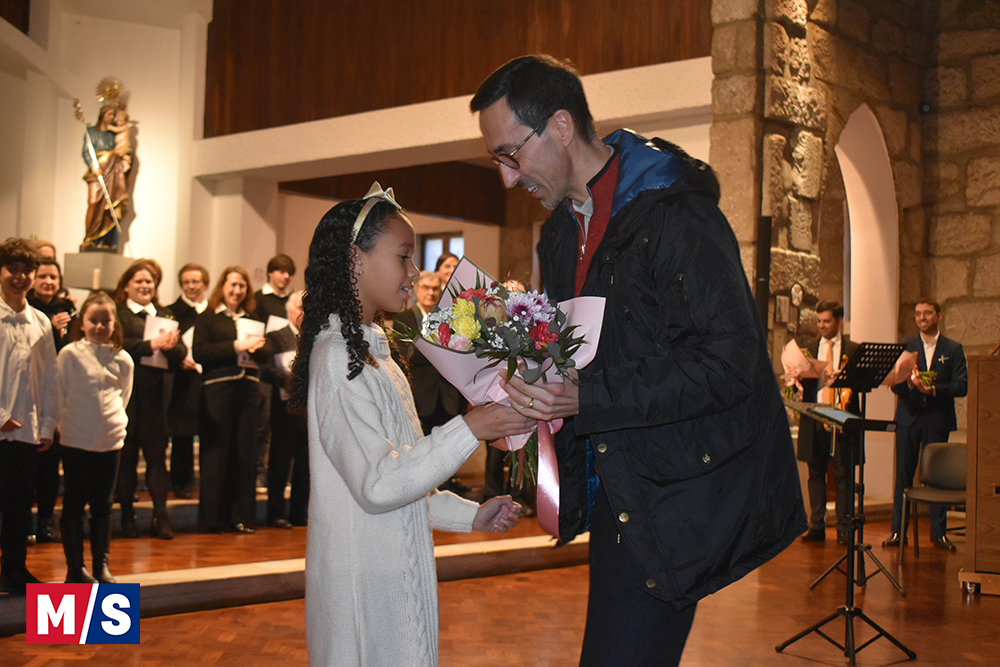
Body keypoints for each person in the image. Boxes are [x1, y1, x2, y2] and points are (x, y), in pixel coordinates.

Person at [472, 55, 807, 666]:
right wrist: (523, 407)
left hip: (676, 491)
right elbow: (581, 358)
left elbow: (730, 361)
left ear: (561, 126)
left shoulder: (673, 213)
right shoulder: (559, 233)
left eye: (510, 154)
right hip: (620, 484)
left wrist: (587, 396)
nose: (507, 178)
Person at [288, 184, 533, 666]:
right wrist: (470, 428)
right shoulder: (337, 357)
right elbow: (378, 485)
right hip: (364, 588)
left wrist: (469, 516)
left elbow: (405, 476)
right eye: (403, 257)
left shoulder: (375, 353)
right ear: (355, 260)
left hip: (393, 575)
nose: (415, 272)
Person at [56, 291, 133, 584]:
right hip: (76, 439)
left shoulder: (123, 359)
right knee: (74, 503)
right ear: (83, 323)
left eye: (106, 321)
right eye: (93, 320)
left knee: (103, 504)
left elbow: (123, 397)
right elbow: (60, 394)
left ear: (114, 323)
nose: (100, 326)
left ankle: (101, 565)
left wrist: (113, 424)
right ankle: (75, 568)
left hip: (110, 441)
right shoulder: (69, 355)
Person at [883, 299, 967, 551]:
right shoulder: (905, 345)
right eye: (918, 313)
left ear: (938, 316)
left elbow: (961, 386)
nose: (922, 317)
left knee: (938, 478)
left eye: (927, 313)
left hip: (937, 418)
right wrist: (909, 384)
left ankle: (938, 534)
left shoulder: (953, 348)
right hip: (908, 418)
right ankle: (898, 532)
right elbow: (895, 385)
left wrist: (934, 389)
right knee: (903, 475)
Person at [193, 267, 272, 534]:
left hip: (247, 390)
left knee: (244, 453)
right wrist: (235, 346)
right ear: (222, 287)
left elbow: (267, 354)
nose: (237, 291)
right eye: (233, 285)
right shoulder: (208, 318)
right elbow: (200, 352)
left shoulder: (252, 318)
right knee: (216, 454)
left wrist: (258, 347)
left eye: (242, 286)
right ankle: (211, 518)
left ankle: (240, 517)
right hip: (218, 390)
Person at [0, 238, 57, 594]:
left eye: (27, 271)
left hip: (26, 430)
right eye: (12, 269)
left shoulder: (41, 322)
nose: (20, 277)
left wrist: (47, 425)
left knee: (19, 504)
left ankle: (14, 568)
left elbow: (50, 377)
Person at [115, 259, 185, 539]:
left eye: (150, 281)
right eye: (139, 281)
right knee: (127, 460)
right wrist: (150, 345)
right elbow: (116, 345)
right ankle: (127, 517)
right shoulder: (119, 313)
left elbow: (181, 354)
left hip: (157, 398)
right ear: (126, 286)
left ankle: (160, 516)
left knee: (157, 460)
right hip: (128, 396)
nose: (145, 286)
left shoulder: (165, 315)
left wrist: (170, 348)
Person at [392, 270, 472, 496]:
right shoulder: (404, 318)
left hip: (448, 391)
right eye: (426, 287)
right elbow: (406, 354)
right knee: (422, 442)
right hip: (420, 391)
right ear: (417, 290)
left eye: (435, 289)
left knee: (448, 440)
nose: (430, 293)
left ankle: (449, 483)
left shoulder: (449, 318)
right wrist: (437, 345)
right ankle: (427, 488)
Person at [797, 301, 860, 545]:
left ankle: (844, 527)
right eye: (819, 321)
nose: (822, 326)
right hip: (815, 415)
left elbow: (862, 383)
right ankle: (817, 525)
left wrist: (844, 378)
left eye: (827, 321)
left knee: (843, 472)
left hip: (841, 416)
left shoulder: (852, 349)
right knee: (815, 472)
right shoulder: (809, 348)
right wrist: (796, 376)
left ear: (839, 321)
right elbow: (801, 384)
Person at [26, 257, 75, 544]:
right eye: (43, 276)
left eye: (53, 277)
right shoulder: (28, 310)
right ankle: (23, 524)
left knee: (50, 468)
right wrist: (52, 330)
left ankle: (46, 520)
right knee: (26, 469)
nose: (48, 282)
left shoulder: (68, 309)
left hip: (58, 395)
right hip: (31, 394)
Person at [263, 290, 308, 528]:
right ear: (290, 310)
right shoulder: (276, 336)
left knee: (304, 465)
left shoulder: (316, 336)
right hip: (283, 409)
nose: (303, 313)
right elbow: (265, 370)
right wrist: (287, 378)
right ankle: (276, 512)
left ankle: (299, 513)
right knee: (279, 464)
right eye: (300, 308)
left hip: (308, 411)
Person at [252, 254, 297, 490]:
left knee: (287, 428)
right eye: (281, 271)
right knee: (262, 423)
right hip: (268, 366)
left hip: (288, 367)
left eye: (289, 272)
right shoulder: (259, 299)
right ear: (270, 273)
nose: (285, 276)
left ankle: (285, 474)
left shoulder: (293, 299)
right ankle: (260, 472)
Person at [166, 263, 210, 498]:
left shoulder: (213, 311)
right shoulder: (171, 311)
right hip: (183, 381)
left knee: (209, 434)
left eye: (196, 281)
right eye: (186, 282)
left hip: (208, 380)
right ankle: (181, 485)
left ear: (205, 284)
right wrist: (179, 359)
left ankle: (208, 485)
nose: (191, 286)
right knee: (182, 435)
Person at [81, 105, 132, 252]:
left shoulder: (112, 135)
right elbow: (86, 152)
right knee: (93, 203)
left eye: (113, 115)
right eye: (109, 114)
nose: (111, 117)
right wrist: (92, 165)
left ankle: (107, 241)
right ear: (102, 115)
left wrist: (124, 152)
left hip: (112, 171)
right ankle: (90, 237)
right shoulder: (91, 132)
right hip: (97, 171)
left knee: (110, 207)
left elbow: (125, 148)